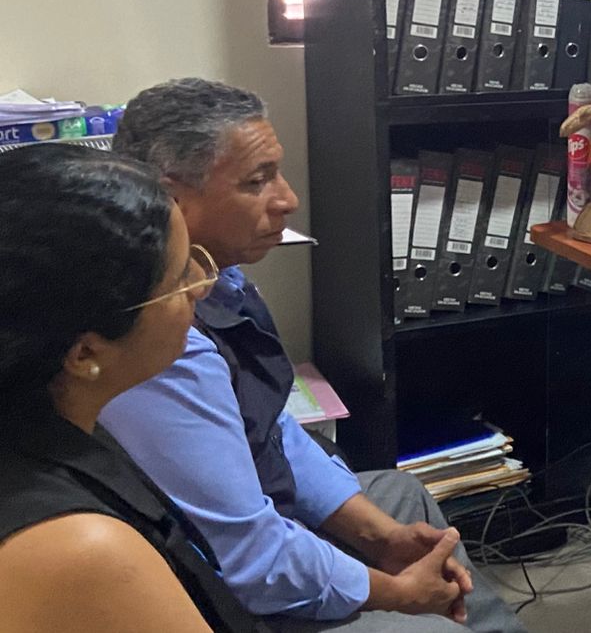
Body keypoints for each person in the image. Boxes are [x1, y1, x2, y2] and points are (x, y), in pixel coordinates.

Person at [100, 78, 523, 633]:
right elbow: (250, 558)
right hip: (219, 590)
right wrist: (396, 594)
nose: (288, 199)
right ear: (170, 198)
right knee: (428, 625)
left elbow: (270, 427)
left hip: (261, 522)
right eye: (257, 181)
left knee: (404, 502)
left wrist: (380, 537)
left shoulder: (222, 280)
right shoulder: (162, 341)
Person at [0, 145, 263, 632]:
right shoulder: (81, 551)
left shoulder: (46, 418)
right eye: (180, 277)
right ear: (85, 354)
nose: (202, 286)